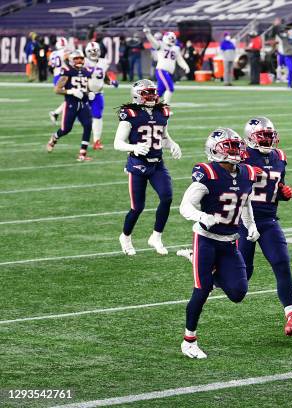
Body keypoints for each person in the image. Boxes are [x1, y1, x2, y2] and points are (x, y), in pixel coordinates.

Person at [178, 128, 259, 359]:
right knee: (201, 290)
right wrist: (202, 216)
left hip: (229, 242)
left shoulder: (246, 173)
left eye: (237, 146)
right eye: (229, 147)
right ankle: (189, 340)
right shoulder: (208, 173)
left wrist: (250, 225)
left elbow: (245, 202)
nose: (235, 152)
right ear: (215, 150)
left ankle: (206, 269)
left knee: (238, 292)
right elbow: (185, 207)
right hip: (206, 240)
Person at [237, 117, 292, 335]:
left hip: (269, 219)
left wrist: (283, 193)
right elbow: (231, 185)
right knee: (243, 275)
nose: (268, 140)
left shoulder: (279, 156)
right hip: (243, 221)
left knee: (281, 262)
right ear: (250, 138)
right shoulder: (241, 156)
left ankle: (291, 316)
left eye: (270, 136)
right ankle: (209, 277)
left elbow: (277, 185)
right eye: (263, 136)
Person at [114, 79, 182, 256]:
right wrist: (134, 147)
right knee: (137, 207)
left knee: (167, 197)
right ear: (137, 95)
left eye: (153, 92)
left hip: (157, 163)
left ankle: (156, 237)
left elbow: (163, 137)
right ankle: (126, 237)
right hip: (137, 164)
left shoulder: (162, 112)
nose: (152, 96)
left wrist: (173, 144)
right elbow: (117, 143)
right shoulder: (130, 114)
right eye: (147, 93)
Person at [46, 50, 94, 162]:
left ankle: (82, 153)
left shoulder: (87, 71)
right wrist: (70, 92)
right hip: (71, 104)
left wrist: (90, 93)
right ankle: (54, 138)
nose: (79, 60)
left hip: (83, 103)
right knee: (66, 129)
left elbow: (87, 87)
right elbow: (57, 89)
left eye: (81, 58)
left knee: (88, 125)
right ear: (72, 60)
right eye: (76, 58)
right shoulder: (67, 71)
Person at [85, 41, 119, 150]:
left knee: (98, 117)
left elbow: (103, 77)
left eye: (95, 51)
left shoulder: (103, 62)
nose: (93, 53)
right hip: (84, 94)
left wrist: (111, 82)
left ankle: (96, 141)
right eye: (91, 51)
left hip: (98, 94)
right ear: (86, 52)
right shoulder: (83, 62)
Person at [144, 28, 190, 103]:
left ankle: (147, 104)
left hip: (169, 72)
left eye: (173, 38)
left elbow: (180, 59)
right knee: (170, 88)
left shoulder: (176, 48)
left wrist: (185, 66)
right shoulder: (161, 45)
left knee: (160, 92)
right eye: (170, 38)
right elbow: (153, 42)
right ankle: (165, 108)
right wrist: (148, 34)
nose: (172, 40)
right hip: (161, 70)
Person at [48, 37, 70, 125]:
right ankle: (56, 113)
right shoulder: (65, 52)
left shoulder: (52, 53)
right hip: (63, 76)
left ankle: (56, 113)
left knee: (71, 97)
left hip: (56, 76)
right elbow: (69, 62)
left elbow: (50, 67)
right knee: (72, 96)